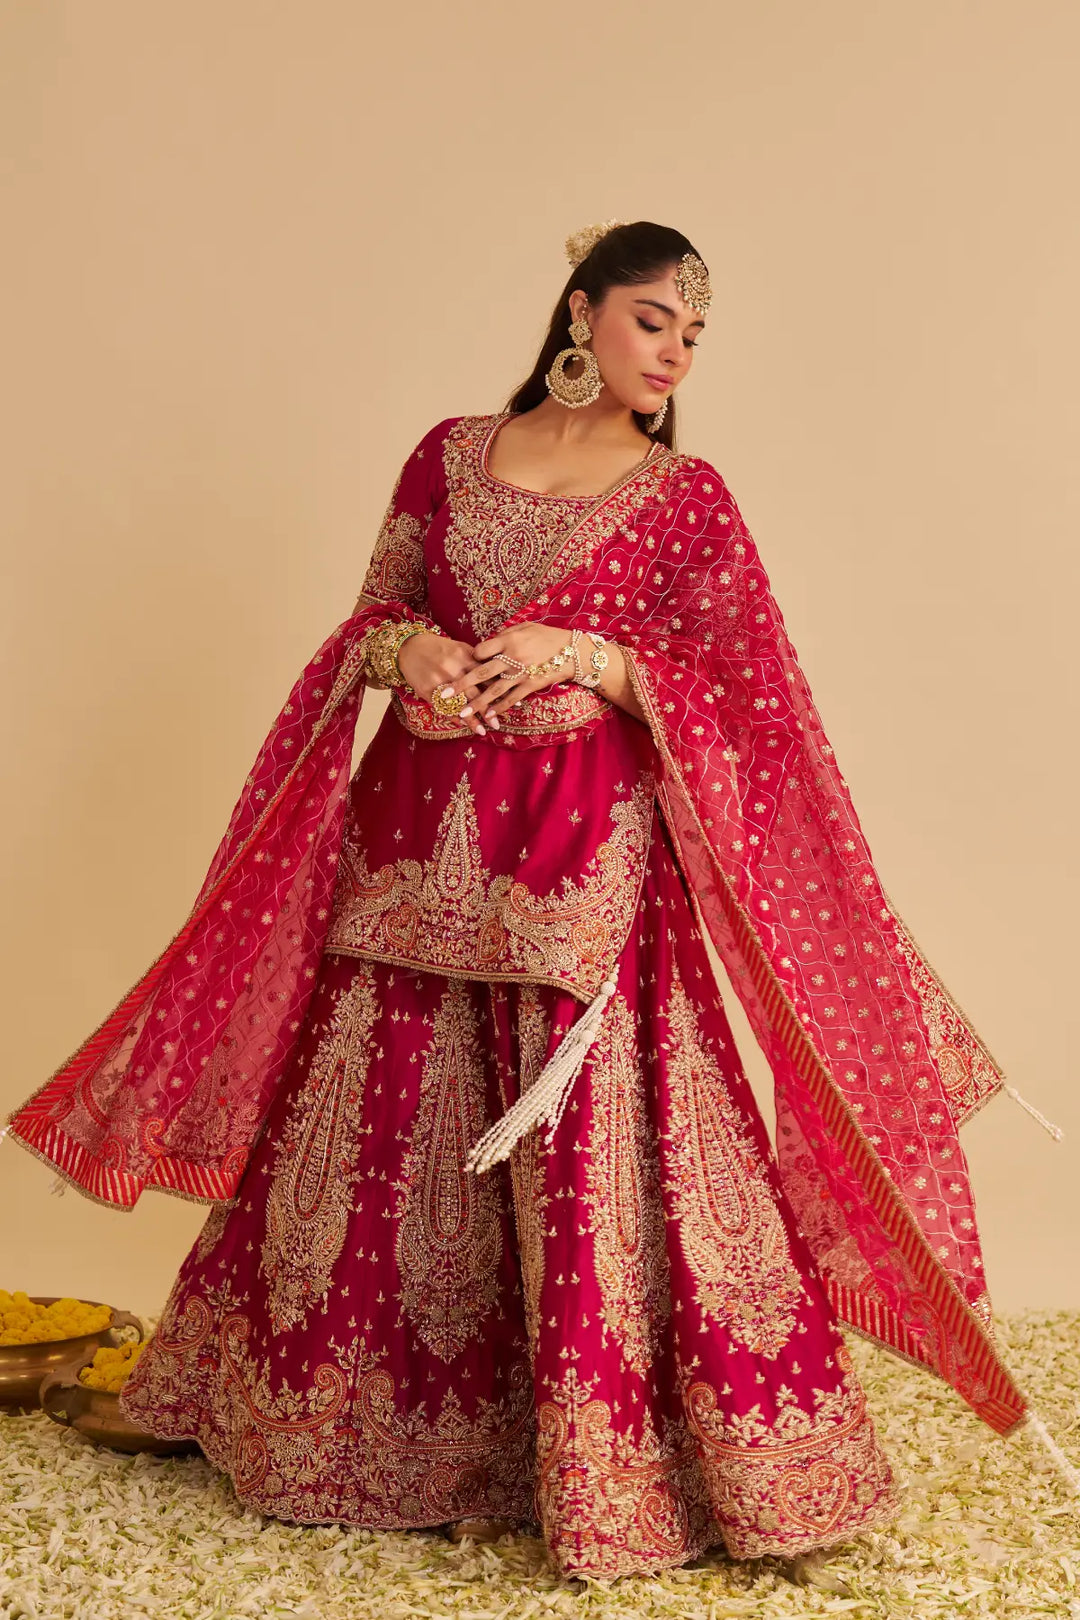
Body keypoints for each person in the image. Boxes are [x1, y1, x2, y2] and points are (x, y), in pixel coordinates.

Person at [4, 220, 1068, 1583]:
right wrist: (419, 651)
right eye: (652, 318)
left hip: (585, 858)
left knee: (592, 1142)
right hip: (413, 840)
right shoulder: (448, 455)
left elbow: (750, 697)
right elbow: (368, 619)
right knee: (371, 1114)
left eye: (693, 333)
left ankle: (621, 1467)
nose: (675, 349)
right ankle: (317, 1434)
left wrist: (596, 655)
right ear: (579, 310)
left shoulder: (689, 498)